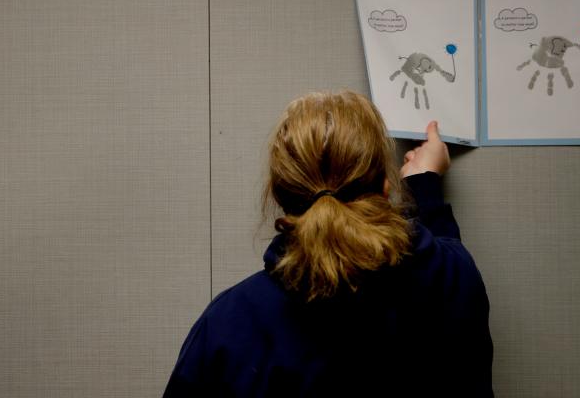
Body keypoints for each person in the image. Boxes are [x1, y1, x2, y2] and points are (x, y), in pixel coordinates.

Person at [164, 91, 492, 396]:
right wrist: (425, 186)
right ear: (384, 185)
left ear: (280, 196)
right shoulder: (452, 280)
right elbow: (442, 266)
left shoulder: (232, 321)